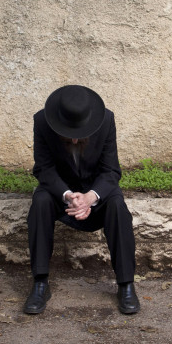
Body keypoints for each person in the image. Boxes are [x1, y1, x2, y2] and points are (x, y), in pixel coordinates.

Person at [23, 85, 139, 315]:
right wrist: (67, 195)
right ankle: (40, 282)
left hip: (96, 192)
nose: (75, 141)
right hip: (60, 192)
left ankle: (126, 285)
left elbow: (111, 171)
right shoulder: (42, 121)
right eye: (68, 133)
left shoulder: (106, 120)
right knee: (40, 201)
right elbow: (43, 169)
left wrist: (90, 197)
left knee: (117, 204)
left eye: (80, 133)